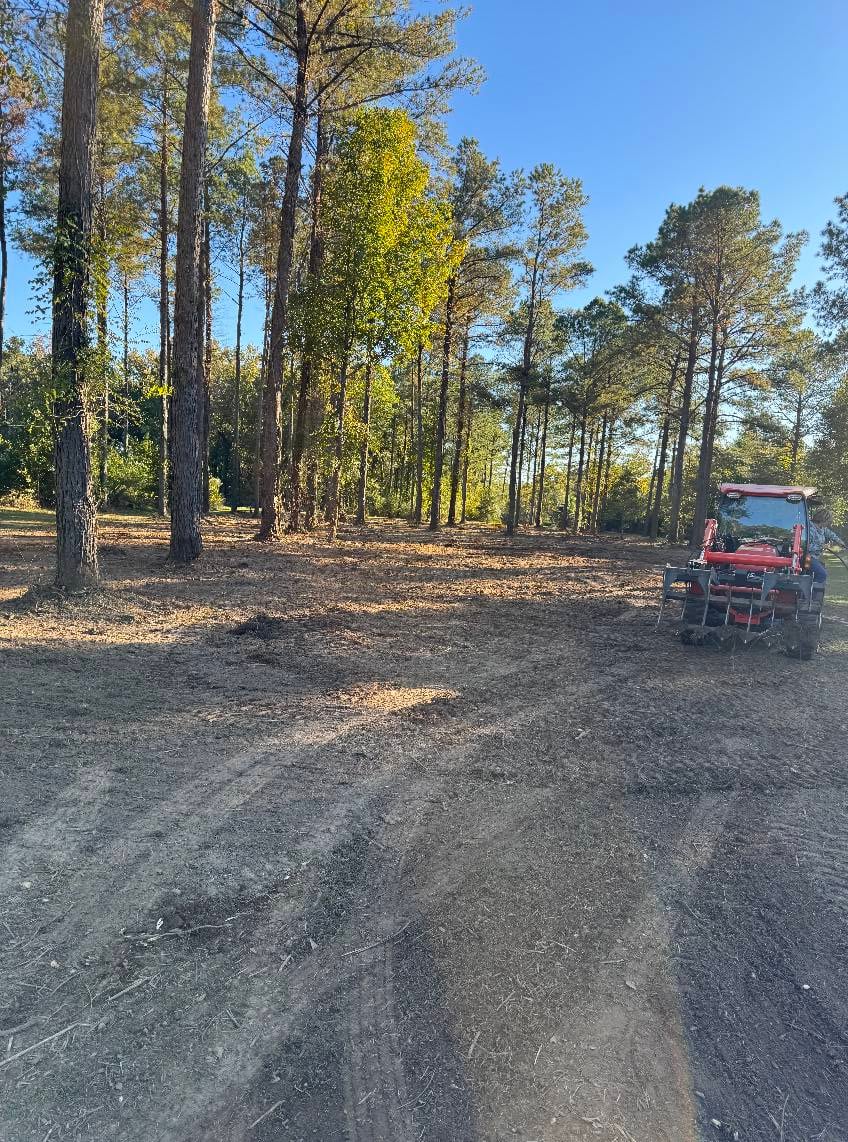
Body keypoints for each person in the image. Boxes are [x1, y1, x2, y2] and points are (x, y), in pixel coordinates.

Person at [808, 506, 846, 585]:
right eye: (828, 522)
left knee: (821, 571)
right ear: (823, 520)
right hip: (807, 557)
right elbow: (807, 547)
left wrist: (840, 542)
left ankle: (813, 591)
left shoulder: (822, 528)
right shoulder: (810, 529)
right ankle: (811, 593)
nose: (829, 524)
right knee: (822, 574)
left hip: (815, 558)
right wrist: (821, 547)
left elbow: (831, 534)